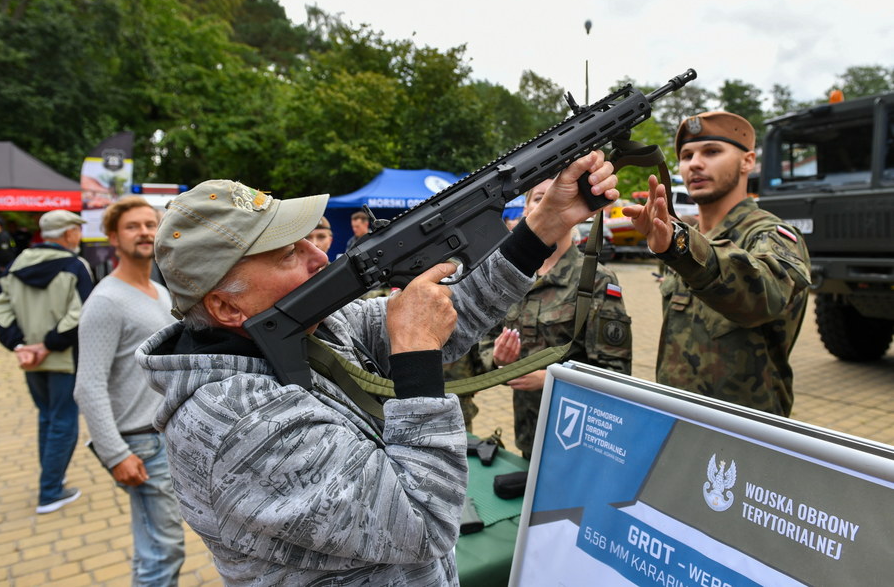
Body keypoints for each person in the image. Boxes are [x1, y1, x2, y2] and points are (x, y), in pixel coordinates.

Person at [135, 153, 617, 585]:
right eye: (288, 254)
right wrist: (415, 358)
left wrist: (546, 224)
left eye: (308, 240)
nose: (319, 257)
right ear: (225, 306)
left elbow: (457, 309)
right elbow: (423, 522)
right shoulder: (236, 424)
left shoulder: (308, 332)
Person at [623, 111, 811, 416]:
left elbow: (765, 293)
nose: (694, 163)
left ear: (747, 161)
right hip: (677, 419)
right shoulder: (685, 237)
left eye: (712, 152)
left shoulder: (770, 234)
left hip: (743, 431)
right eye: (686, 155)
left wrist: (680, 247)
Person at [74, 197, 185, 584]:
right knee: (164, 550)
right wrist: (115, 453)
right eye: (133, 226)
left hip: (164, 436)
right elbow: (87, 385)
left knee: (157, 544)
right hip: (139, 444)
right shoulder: (106, 301)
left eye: (150, 225)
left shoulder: (159, 291)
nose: (144, 233)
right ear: (112, 237)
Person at [484, 178, 633, 459]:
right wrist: (499, 361)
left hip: (580, 442)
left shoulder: (596, 280)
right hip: (528, 436)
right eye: (540, 198)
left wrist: (553, 379)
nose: (550, 204)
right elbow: (484, 342)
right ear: (527, 210)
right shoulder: (511, 277)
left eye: (558, 197)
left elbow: (617, 374)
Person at [0, 209, 93, 513]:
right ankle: (50, 491)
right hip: (64, 359)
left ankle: (51, 483)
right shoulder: (76, 265)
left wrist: (22, 345)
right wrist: (50, 344)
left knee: (47, 417)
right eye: (76, 229)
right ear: (67, 233)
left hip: (30, 359)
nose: (79, 234)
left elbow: (0, 309)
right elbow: (83, 313)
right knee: (63, 421)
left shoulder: (15, 265)